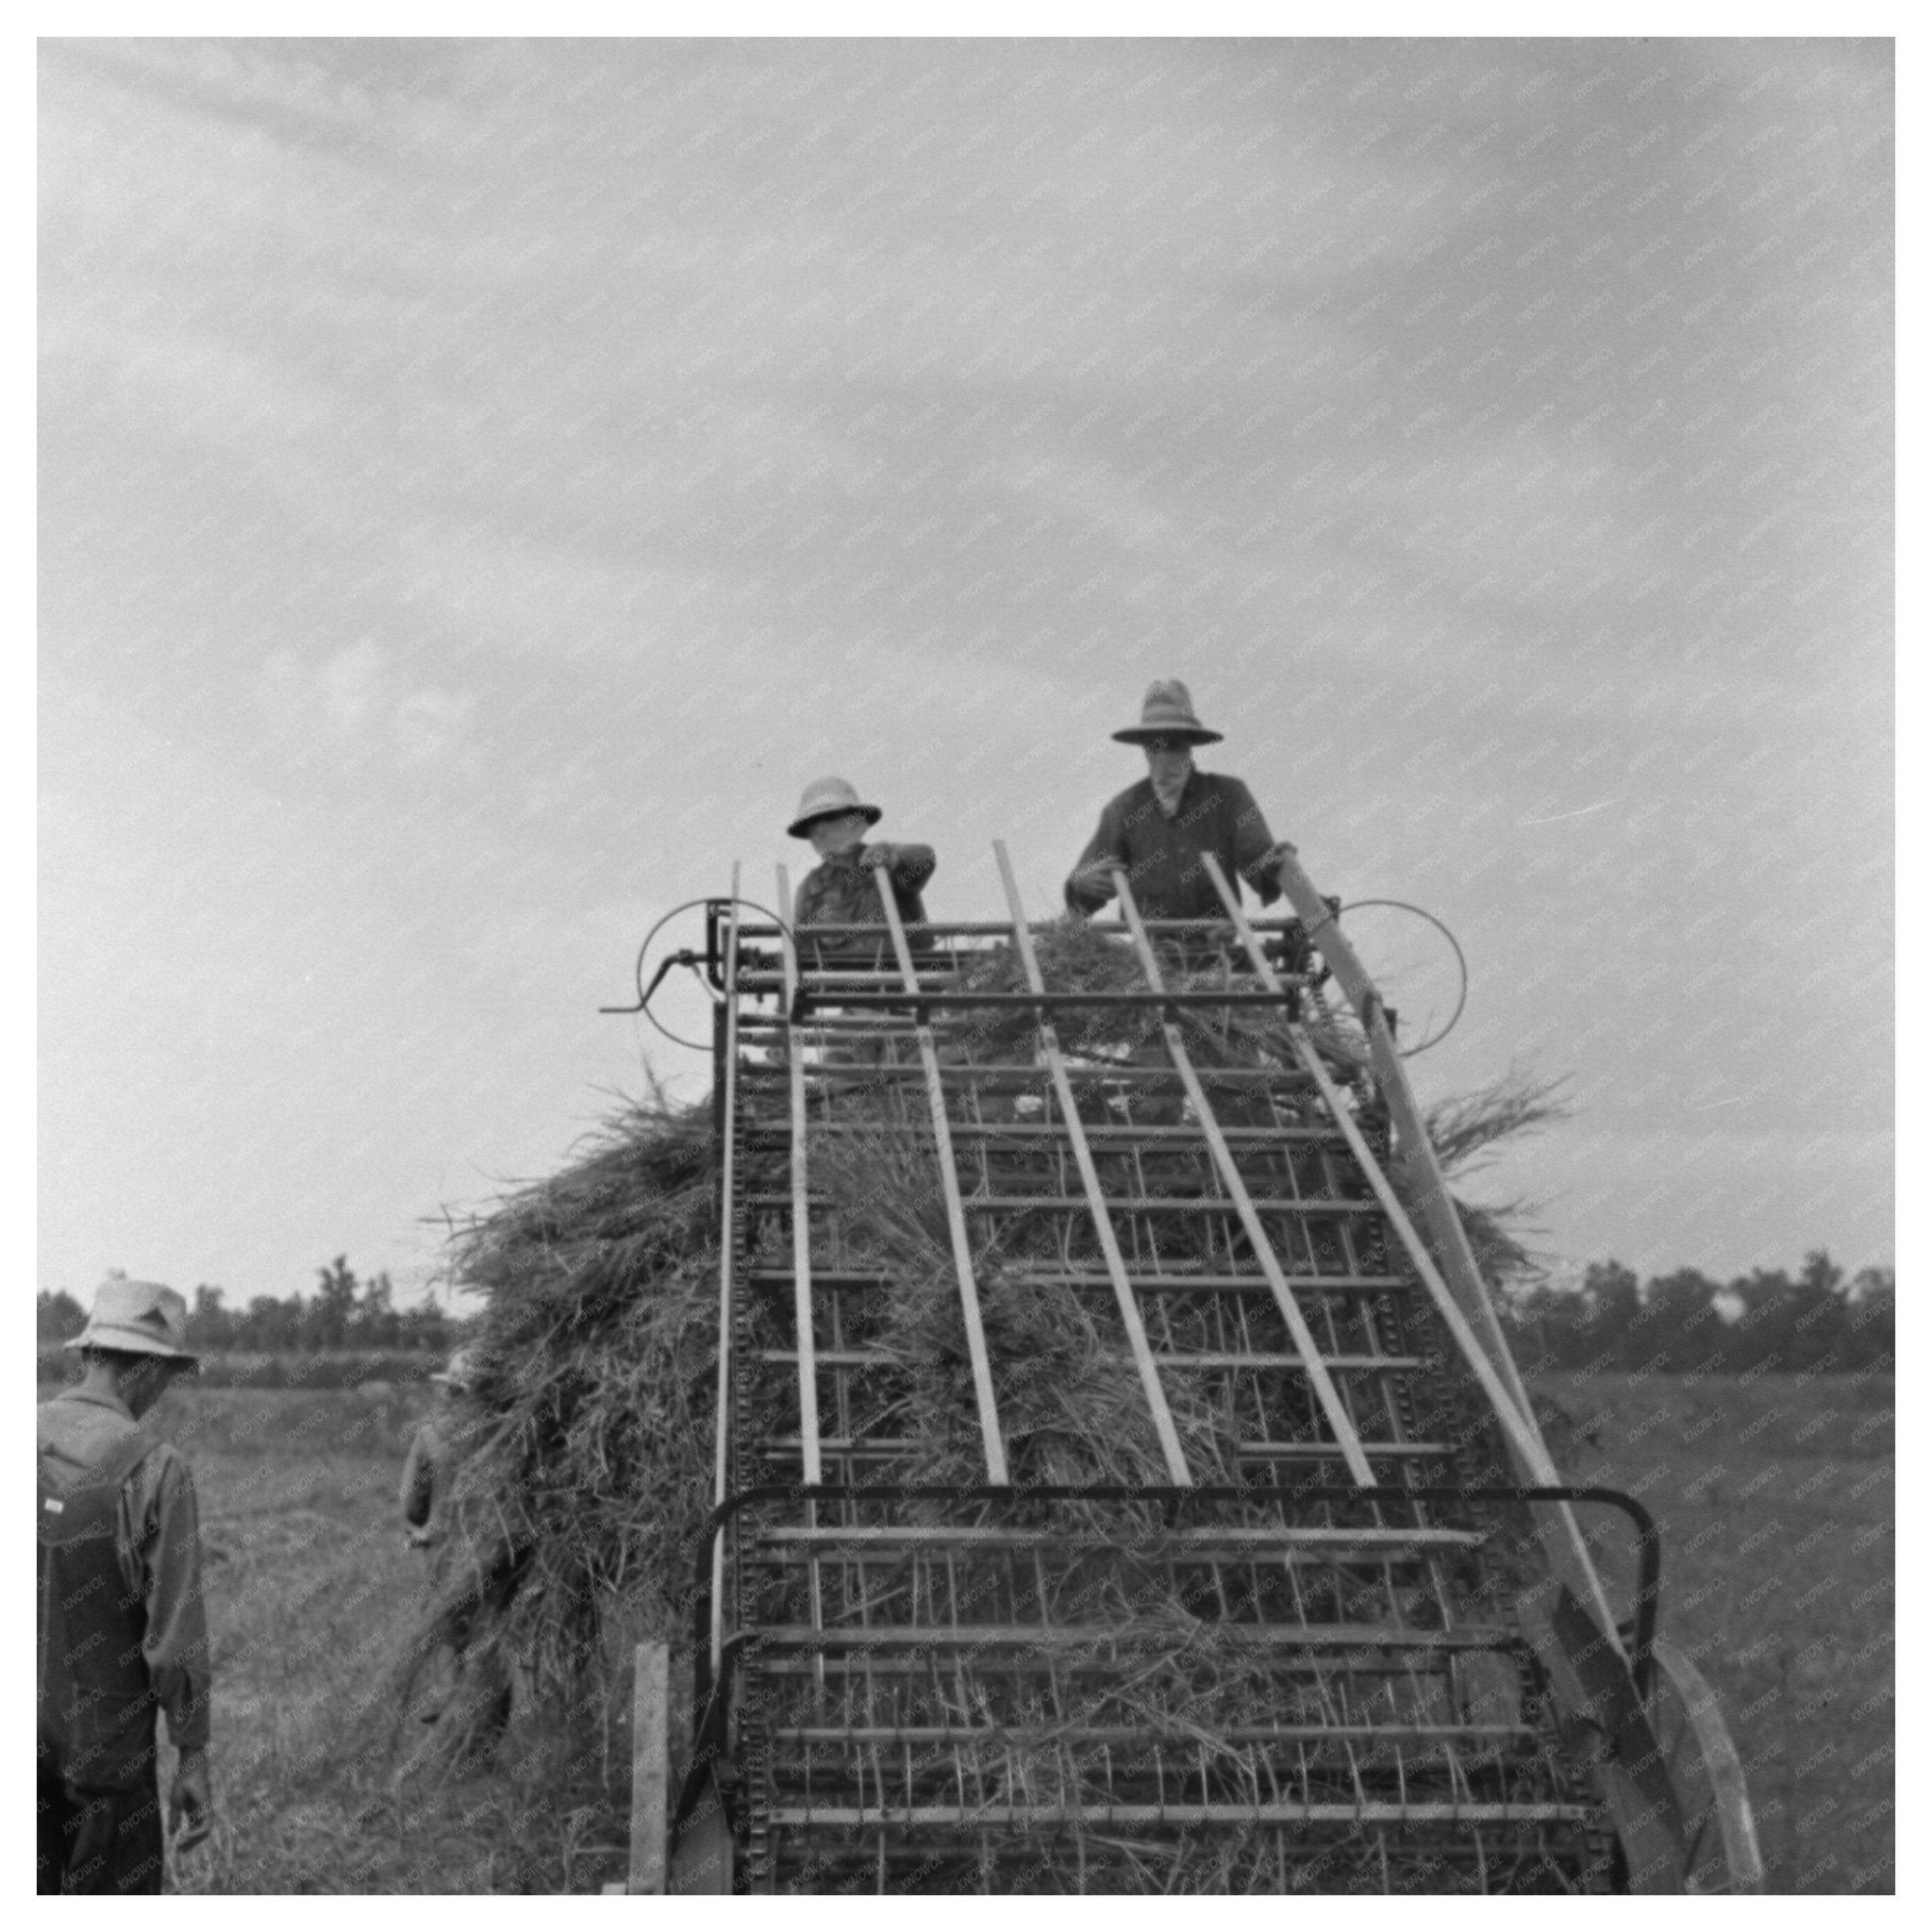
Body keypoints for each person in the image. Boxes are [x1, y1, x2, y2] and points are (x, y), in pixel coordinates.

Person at [38, 1278, 212, 1894]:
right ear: (148, 1370)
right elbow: (176, 1638)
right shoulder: (157, 1470)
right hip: (105, 1756)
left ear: (90, 1353)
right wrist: (192, 1755)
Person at [1065, 679, 1293, 925]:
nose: (1163, 756)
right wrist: (1081, 885)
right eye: (1154, 746)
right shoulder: (1123, 809)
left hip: (1216, 941)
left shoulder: (1228, 796)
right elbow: (1084, 894)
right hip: (1148, 944)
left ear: (1188, 745)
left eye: (1173, 745)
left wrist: (1275, 866)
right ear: (1144, 749)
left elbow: (1259, 863)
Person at [787, 776, 937, 961]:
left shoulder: (882, 864)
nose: (821, 829)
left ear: (855, 820)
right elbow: (801, 951)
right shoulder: (810, 888)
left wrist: (892, 857)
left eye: (830, 818)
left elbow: (923, 858)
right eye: (814, 822)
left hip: (899, 975)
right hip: (837, 979)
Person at [400, 1346, 477, 1549]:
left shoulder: (429, 1435)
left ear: (450, 1390)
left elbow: (411, 1506)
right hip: (499, 1549)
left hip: (444, 1544)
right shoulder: (509, 1430)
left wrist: (430, 1521)